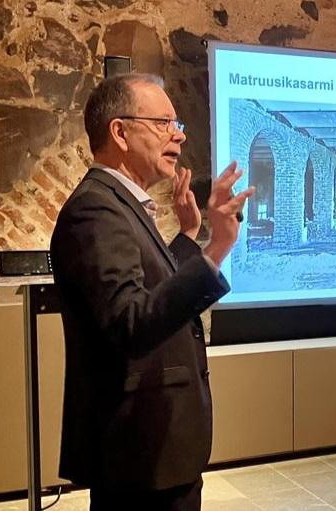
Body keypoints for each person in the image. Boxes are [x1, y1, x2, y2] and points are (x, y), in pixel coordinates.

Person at [50, 73, 254, 510]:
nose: (178, 135)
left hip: (154, 452)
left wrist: (189, 237)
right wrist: (216, 250)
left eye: (176, 124)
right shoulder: (95, 209)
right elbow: (131, 322)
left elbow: (149, 290)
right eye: (163, 123)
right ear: (120, 132)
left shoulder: (118, 204)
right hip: (138, 451)